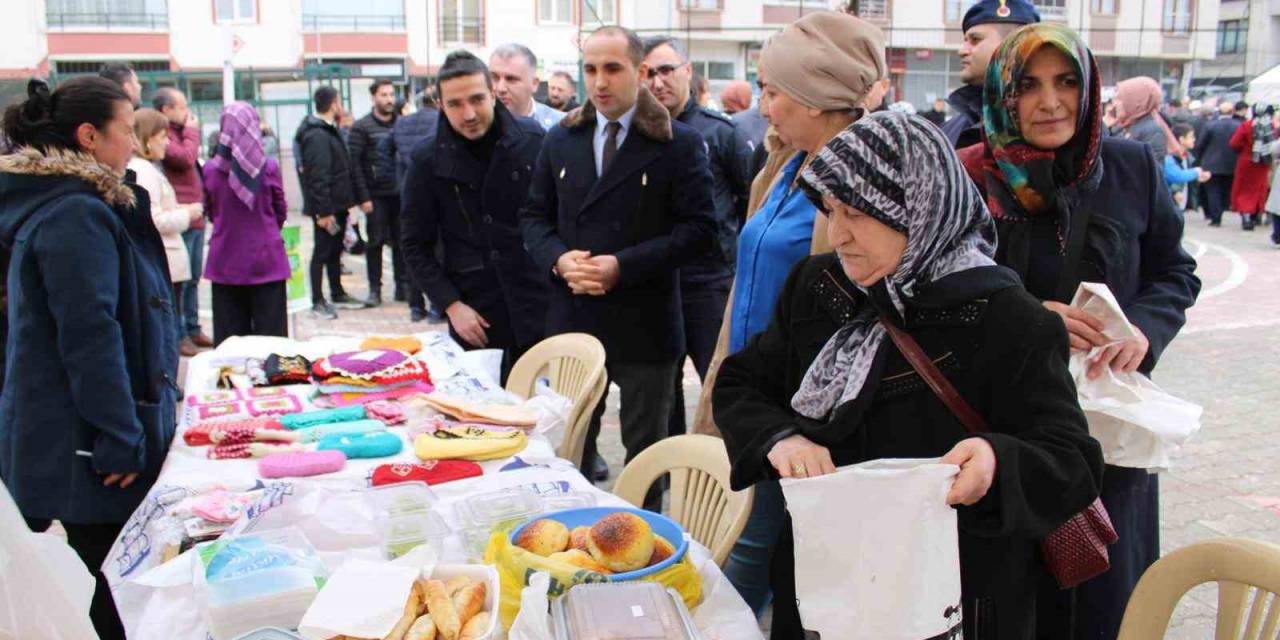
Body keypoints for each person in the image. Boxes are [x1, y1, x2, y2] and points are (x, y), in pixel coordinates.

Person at [715, 111, 1104, 640]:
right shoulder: (820, 287)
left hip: (953, 596)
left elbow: (1071, 460)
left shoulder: (1007, 318)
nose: (839, 233)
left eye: (856, 211)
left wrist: (994, 459)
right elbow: (742, 383)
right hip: (826, 583)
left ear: (918, 205)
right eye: (829, 209)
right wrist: (779, 438)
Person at [957, 24, 1200, 638]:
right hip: (1009, 437)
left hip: (1108, 436)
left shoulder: (1127, 166)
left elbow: (1174, 270)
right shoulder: (969, 175)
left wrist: (1144, 330)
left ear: (1090, 87)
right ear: (1002, 94)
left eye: (1067, 82)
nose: (1050, 102)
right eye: (1028, 85)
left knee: (1104, 602)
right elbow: (940, 290)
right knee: (1018, 603)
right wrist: (1026, 314)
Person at [691, 11, 888, 616]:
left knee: (746, 562)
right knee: (745, 552)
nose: (763, 103)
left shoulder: (860, 180)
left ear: (817, 96)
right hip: (751, 389)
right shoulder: (781, 165)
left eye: (773, 91)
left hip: (800, 412)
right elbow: (746, 284)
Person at [0, 77, 179, 640]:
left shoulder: (77, 203)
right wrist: (119, 435)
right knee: (114, 576)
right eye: (126, 129)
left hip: (83, 426)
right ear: (88, 136)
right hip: (84, 435)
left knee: (106, 570)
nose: (133, 141)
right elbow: (89, 336)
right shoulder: (74, 214)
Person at [519, 25, 715, 506]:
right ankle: (570, 531)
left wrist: (621, 267)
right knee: (570, 447)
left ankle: (639, 546)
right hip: (575, 316)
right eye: (590, 69)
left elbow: (699, 231)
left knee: (644, 451)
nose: (600, 82)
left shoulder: (679, 144)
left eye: (612, 68)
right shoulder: (561, 139)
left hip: (644, 323)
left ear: (641, 72)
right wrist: (560, 259)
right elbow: (532, 217)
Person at [400, 51, 549, 379]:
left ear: (493, 94)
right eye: (455, 104)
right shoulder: (427, 159)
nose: (468, 114)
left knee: (545, 414)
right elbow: (414, 245)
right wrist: (450, 305)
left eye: (477, 99)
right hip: (474, 313)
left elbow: (556, 219)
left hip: (537, 302)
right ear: (440, 105)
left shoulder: (533, 140)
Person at [642, 35, 753, 439]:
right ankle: (671, 469)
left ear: (688, 71)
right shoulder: (637, 136)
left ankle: (726, 475)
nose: (658, 82)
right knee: (661, 392)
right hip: (655, 284)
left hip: (709, 284)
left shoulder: (721, 135)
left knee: (721, 386)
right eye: (649, 73)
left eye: (666, 70)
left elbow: (748, 203)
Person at [203, 102, 290, 345]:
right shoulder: (269, 167)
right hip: (267, 260)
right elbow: (280, 210)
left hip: (225, 262)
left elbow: (211, 210)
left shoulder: (210, 170)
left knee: (230, 345)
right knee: (272, 344)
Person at [128, 108, 200, 354]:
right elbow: (154, 219)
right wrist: (186, 214)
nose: (167, 143)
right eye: (162, 137)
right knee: (166, 328)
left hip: (166, 258)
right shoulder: (144, 170)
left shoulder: (146, 168)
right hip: (165, 256)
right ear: (147, 138)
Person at [154, 87, 212, 354]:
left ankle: (192, 326)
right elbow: (185, 158)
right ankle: (179, 333)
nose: (187, 112)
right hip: (181, 217)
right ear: (166, 110)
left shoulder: (179, 133)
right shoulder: (164, 135)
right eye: (181, 106)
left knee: (193, 278)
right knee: (181, 279)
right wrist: (192, 132)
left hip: (195, 216)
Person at [296, 85, 358, 319]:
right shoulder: (317, 135)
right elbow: (318, 176)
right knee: (322, 252)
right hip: (327, 207)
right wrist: (323, 212)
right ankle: (318, 299)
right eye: (339, 101)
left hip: (338, 204)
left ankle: (337, 291)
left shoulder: (328, 130)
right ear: (333, 104)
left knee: (334, 251)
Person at [942, 0, 1041, 148]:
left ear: (1013, 45)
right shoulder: (948, 131)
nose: (962, 50)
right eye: (965, 41)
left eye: (975, 40)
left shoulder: (1047, 124)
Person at [379, 91, 437, 321]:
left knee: (413, 251)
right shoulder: (440, 121)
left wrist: (394, 181)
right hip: (435, 196)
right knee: (437, 252)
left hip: (406, 195)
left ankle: (416, 306)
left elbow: (383, 150)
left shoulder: (401, 124)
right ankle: (436, 306)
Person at [348, 79, 404, 307]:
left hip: (400, 194)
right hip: (375, 196)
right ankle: (375, 290)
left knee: (402, 242)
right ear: (374, 98)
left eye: (391, 94)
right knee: (376, 242)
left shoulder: (402, 124)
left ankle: (403, 287)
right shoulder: (361, 127)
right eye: (384, 95)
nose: (389, 99)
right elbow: (355, 164)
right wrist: (363, 198)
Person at [1195, 101, 1246, 226]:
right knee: (1226, 190)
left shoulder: (1210, 125)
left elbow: (1200, 144)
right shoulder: (1239, 125)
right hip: (1231, 163)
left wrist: (1200, 159)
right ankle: (1222, 209)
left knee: (1212, 190)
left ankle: (1215, 217)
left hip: (1211, 162)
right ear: (1232, 112)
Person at [489, 44, 563, 131]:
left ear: (534, 84)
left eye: (511, 79)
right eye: (494, 77)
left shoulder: (561, 126)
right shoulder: (476, 126)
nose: (500, 88)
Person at [1114, 76, 1182, 168]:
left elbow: (1151, 172)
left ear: (1136, 101)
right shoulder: (1127, 126)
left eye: (1119, 99)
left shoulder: (1152, 131)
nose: (1115, 104)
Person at [1228, 103, 1275, 231]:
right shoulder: (1271, 127)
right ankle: (1255, 215)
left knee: (1244, 190)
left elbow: (1234, 143)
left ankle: (1246, 216)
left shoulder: (1246, 125)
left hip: (1246, 161)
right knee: (1259, 189)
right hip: (1264, 163)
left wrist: (1244, 150)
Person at [1165, 122, 1211, 209]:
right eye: (1191, 137)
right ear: (1181, 139)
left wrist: (1197, 178)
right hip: (1170, 203)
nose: (1194, 139)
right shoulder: (1170, 157)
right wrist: (1196, 172)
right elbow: (1176, 176)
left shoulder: (1187, 157)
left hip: (1181, 203)